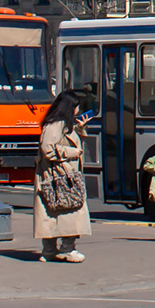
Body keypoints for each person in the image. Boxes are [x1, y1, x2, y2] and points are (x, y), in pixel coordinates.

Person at [34, 91, 90, 263]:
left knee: (54, 210)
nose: (78, 110)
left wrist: (80, 128)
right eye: (76, 106)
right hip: (58, 176)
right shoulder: (55, 125)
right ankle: (67, 248)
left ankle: (50, 250)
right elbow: (48, 149)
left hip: (60, 174)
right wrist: (72, 152)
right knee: (69, 208)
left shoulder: (62, 124)